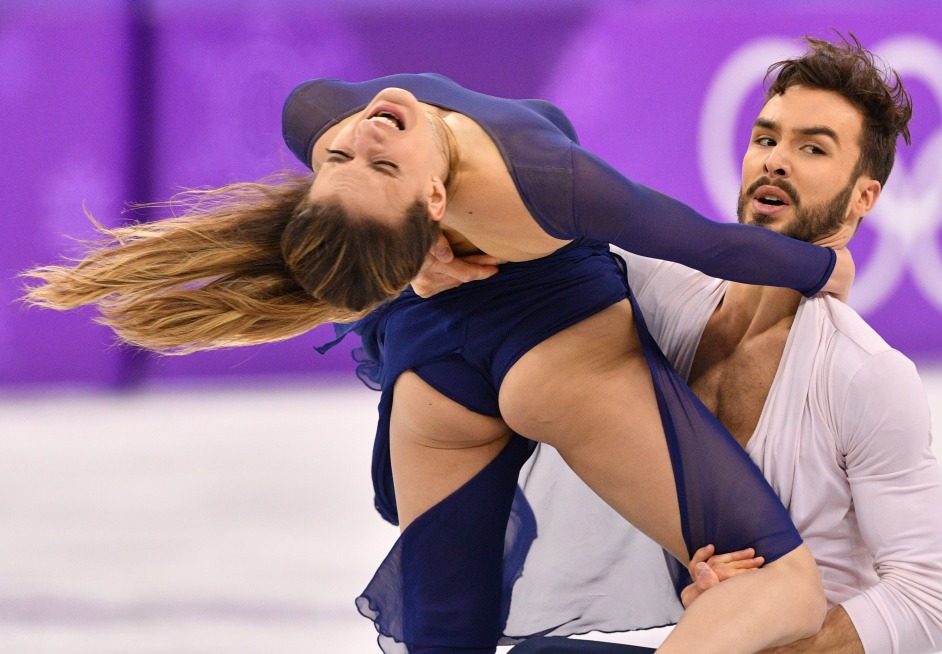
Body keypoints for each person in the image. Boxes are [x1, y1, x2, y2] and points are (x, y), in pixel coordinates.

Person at [20, 70, 862, 654]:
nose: (364, 133)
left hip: (432, 382)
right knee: (782, 584)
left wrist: (414, 264)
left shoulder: (314, 111)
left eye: (350, 158)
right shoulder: (550, 180)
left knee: (443, 641)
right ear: (428, 204)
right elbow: (703, 239)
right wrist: (826, 267)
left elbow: (702, 242)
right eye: (368, 161)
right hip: (553, 345)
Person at [497, 35, 942, 654]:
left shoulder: (864, 374)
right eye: (766, 139)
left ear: (863, 198)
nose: (775, 161)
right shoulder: (658, 296)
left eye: (812, 148)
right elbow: (539, 244)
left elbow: (927, 600)